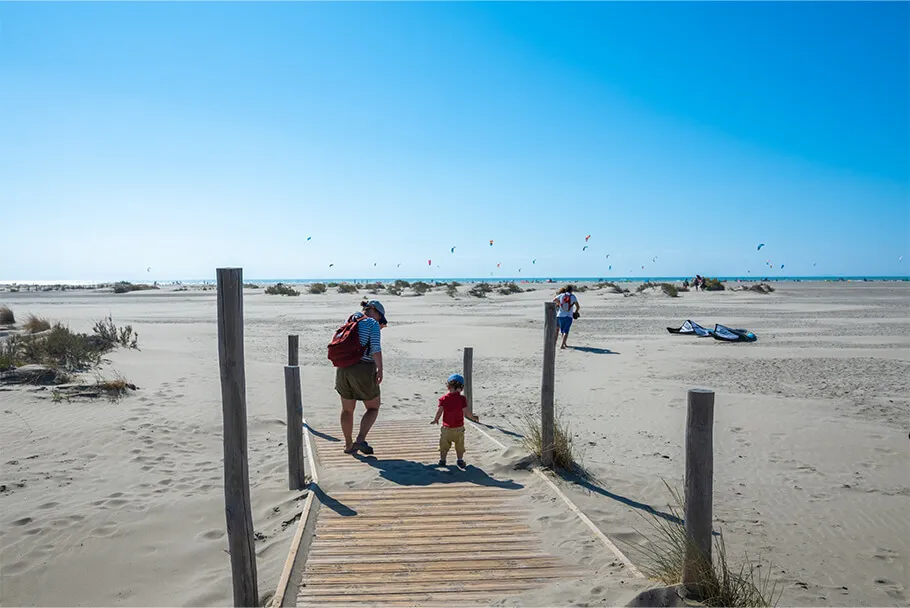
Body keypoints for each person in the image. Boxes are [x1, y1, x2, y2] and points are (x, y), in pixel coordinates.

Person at [335, 300, 387, 455]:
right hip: (363, 368)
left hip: (343, 368)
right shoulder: (372, 323)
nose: (379, 321)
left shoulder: (351, 318)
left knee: (347, 409)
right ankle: (360, 439)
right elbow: (375, 349)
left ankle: (348, 445)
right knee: (373, 406)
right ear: (375, 311)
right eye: (380, 317)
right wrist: (380, 369)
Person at [431, 374, 478, 468]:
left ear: (448, 387)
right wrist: (473, 418)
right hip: (459, 428)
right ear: (461, 388)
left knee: (444, 446)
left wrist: (436, 420)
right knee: (459, 446)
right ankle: (460, 460)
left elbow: (440, 411)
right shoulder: (462, 399)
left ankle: (442, 460)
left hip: (446, 428)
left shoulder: (444, 398)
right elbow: (466, 412)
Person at [553, 285, 580, 349]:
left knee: (560, 330)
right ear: (571, 290)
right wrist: (576, 312)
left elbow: (554, 300)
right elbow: (578, 306)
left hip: (560, 315)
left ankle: (561, 343)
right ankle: (562, 345)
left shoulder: (561, 295)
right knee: (566, 331)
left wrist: (559, 304)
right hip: (569, 316)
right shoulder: (573, 297)